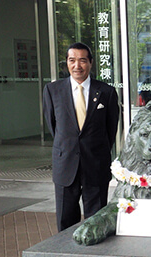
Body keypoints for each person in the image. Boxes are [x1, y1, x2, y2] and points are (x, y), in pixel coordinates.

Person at [43, 42, 120, 232]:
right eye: (72, 60)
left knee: (97, 221)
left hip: (96, 164)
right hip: (65, 164)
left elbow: (111, 130)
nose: (77, 65)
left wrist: (95, 149)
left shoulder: (106, 92)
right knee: (65, 219)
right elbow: (53, 126)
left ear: (91, 63)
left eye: (82, 60)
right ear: (67, 63)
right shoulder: (53, 91)